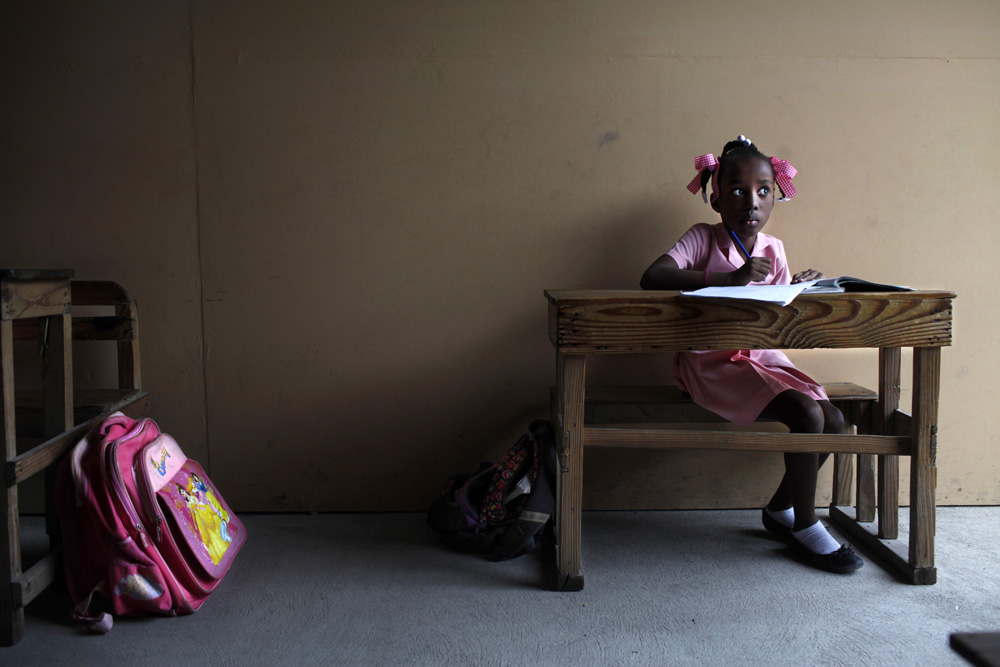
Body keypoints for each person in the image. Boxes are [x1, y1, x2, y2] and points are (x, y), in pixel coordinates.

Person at [639, 135, 863, 574]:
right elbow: (653, 276)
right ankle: (805, 524)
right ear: (716, 197)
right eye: (738, 191)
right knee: (806, 414)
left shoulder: (774, 249)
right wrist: (728, 276)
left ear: (776, 197)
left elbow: (776, 318)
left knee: (834, 419)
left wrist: (800, 287)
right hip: (711, 362)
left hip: (761, 357)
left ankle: (779, 511)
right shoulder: (702, 238)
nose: (752, 202)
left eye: (764, 191)